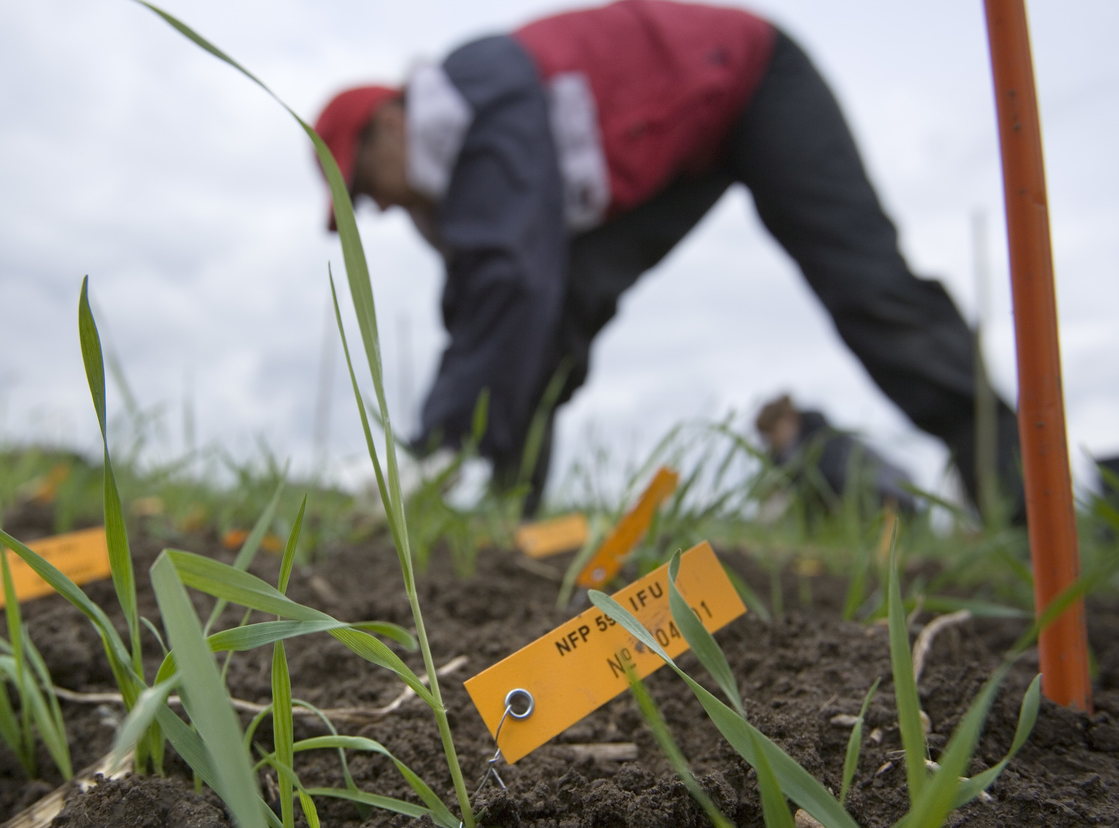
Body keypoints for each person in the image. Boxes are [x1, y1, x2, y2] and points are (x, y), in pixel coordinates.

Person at [313, 0, 1023, 519]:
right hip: (674, 155)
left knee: (870, 288)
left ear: (393, 123)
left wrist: (431, 447)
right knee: (553, 311)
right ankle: (509, 515)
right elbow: (499, 294)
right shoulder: (470, 161)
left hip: (749, 78)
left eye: (366, 184)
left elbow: (505, 272)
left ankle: (1018, 489)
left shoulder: (474, 89)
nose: (378, 207)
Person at [755, 394, 919, 517]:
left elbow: (831, 479)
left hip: (890, 493)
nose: (771, 441)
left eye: (773, 432)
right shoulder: (786, 457)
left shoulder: (825, 440)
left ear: (789, 420)